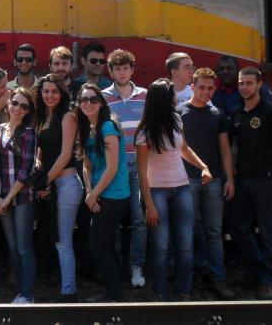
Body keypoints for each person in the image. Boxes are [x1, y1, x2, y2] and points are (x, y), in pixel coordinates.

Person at [135, 78, 211, 301]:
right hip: (156, 191)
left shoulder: (177, 119)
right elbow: (142, 172)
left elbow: (184, 149)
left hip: (181, 187)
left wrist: (203, 166)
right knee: (160, 245)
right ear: (165, 99)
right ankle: (160, 293)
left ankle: (183, 291)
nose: (177, 97)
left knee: (185, 243)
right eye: (173, 94)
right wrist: (149, 204)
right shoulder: (144, 132)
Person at [229, 67, 272, 300]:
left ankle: (269, 280)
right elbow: (235, 148)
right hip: (242, 180)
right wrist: (231, 175)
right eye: (241, 83)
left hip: (266, 180)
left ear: (259, 84)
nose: (244, 87)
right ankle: (258, 268)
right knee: (238, 228)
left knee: (268, 231)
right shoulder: (236, 114)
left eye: (249, 83)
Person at [178, 68, 235, 299]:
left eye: (210, 88)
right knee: (188, 231)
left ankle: (218, 277)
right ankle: (186, 282)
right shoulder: (180, 113)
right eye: (201, 87)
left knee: (214, 232)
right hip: (187, 179)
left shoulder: (218, 115)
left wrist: (230, 179)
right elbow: (178, 149)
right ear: (192, 87)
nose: (206, 92)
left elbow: (225, 150)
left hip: (215, 180)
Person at [101, 49, 148, 289]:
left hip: (140, 164)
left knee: (140, 219)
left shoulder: (145, 95)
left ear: (132, 70)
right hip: (115, 166)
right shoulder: (103, 97)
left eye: (125, 68)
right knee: (115, 219)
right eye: (117, 69)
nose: (121, 72)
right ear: (111, 71)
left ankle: (136, 265)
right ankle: (117, 264)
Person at [77, 82, 128, 302]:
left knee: (97, 246)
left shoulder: (108, 127)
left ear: (101, 103)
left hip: (114, 195)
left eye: (93, 99)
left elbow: (112, 167)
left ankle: (113, 295)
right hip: (98, 193)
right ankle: (114, 292)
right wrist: (89, 191)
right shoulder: (88, 127)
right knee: (105, 245)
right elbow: (87, 165)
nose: (88, 103)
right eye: (84, 100)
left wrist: (94, 194)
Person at [33, 73, 82, 301]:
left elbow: (65, 155)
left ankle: (69, 293)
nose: (50, 95)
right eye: (46, 91)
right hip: (52, 185)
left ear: (62, 93)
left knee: (63, 241)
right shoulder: (42, 117)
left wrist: (45, 181)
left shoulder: (67, 116)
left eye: (54, 91)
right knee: (55, 237)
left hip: (66, 184)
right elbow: (40, 151)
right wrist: (39, 171)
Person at [0, 88, 37, 304]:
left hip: (21, 197)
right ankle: (20, 291)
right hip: (1, 196)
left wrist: (8, 198)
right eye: (15, 103)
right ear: (9, 104)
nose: (18, 108)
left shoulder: (29, 133)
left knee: (23, 247)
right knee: (12, 247)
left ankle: (27, 293)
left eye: (23, 106)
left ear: (28, 111)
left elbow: (26, 170)